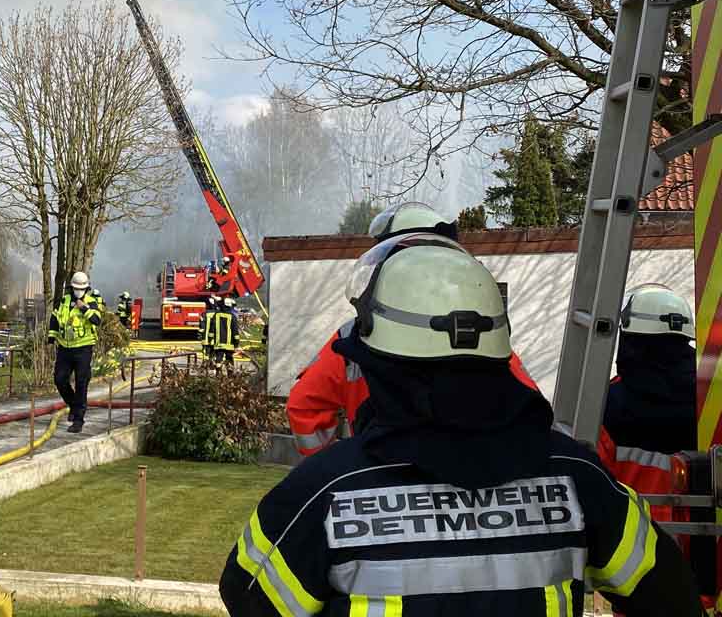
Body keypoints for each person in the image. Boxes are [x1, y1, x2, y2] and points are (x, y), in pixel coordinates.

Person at [219, 234, 702, 617]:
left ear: (384, 364)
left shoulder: (324, 495)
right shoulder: (579, 480)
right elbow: (669, 594)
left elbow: (249, 598)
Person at [286, 202, 536, 456]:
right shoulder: (478, 334)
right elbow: (528, 404)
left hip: (378, 471)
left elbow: (303, 406)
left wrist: (333, 465)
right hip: (470, 474)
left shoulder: (354, 335)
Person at [597, 283, 696, 522]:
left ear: (628, 338)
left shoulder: (607, 403)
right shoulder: (710, 398)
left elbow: (593, 481)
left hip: (638, 542)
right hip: (706, 540)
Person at [48, 271, 103, 434]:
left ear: (86, 288)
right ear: (71, 287)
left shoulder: (91, 301)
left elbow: (97, 320)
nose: (78, 291)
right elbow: (54, 319)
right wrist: (51, 339)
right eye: (76, 288)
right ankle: (74, 405)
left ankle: (78, 419)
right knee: (59, 379)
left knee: (81, 383)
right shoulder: (63, 301)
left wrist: (84, 308)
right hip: (64, 347)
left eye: (82, 288)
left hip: (83, 348)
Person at [214, 297, 239, 366]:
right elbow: (235, 332)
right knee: (229, 359)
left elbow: (212, 329)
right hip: (229, 344)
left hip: (218, 343)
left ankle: (218, 374)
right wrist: (236, 344)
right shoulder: (232, 316)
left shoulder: (216, 315)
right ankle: (230, 375)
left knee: (218, 359)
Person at [200, 295, 220, 362]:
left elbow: (201, 326)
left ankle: (205, 364)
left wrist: (200, 335)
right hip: (214, 338)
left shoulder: (204, 314)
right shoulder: (217, 314)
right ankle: (212, 362)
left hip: (205, 339)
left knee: (206, 352)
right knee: (213, 351)